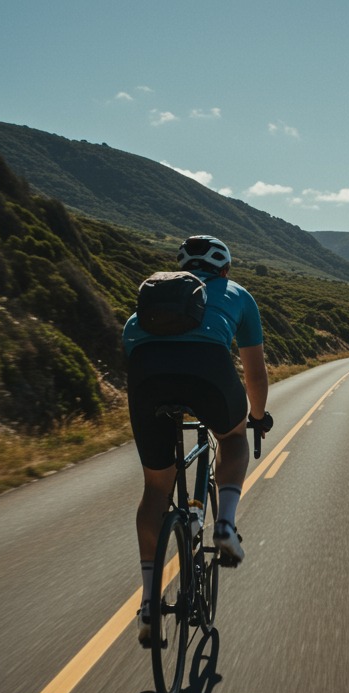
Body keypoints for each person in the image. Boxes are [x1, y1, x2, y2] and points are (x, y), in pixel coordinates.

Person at [123, 235, 272, 646]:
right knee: (233, 438)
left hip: (146, 376)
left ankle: (150, 604)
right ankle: (224, 524)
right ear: (224, 269)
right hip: (208, 372)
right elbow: (255, 374)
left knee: (156, 487)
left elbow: (131, 347)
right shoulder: (238, 294)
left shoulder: (149, 307)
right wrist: (255, 418)